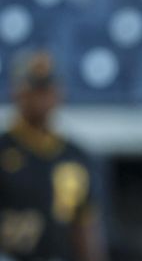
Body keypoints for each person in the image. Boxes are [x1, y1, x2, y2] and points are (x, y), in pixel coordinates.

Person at [0, 50, 107, 261]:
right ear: (17, 91)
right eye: (35, 87)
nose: (42, 95)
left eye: (47, 87)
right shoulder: (4, 150)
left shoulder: (75, 156)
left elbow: (84, 228)